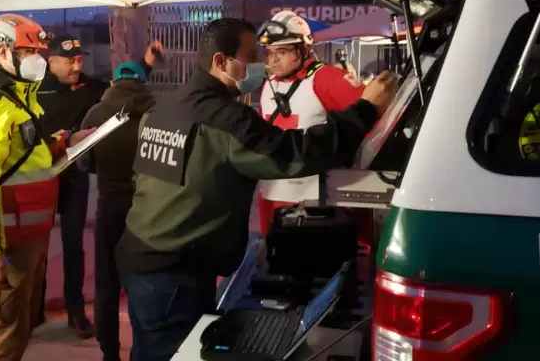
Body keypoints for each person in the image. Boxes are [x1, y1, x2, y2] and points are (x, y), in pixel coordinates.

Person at [115, 18, 399, 361]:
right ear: (221, 61)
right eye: (251, 56)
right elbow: (293, 154)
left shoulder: (165, 105)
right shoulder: (223, 116)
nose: (261, 64)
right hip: (173, 271)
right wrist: (365, 109)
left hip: (146, 256)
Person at [0, 15, 95, 361]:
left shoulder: (17, 96)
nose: (38, 58)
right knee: (5, 332)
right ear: (2, 52)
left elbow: (27, 154)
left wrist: (65, 142)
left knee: (19, 327)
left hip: (27, 236)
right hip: (6, 241)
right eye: (29, 50)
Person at [34, 34, 163, 337]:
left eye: (80, 59)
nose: (77, 66)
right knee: (36, 248)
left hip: (74, 179)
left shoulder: (89, 88)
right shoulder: (35, 91)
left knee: (73, 245)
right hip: (42, 178)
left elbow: (124, 88)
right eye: (70, 61)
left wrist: (146, 64)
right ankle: (33, 309)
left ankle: (76, 311)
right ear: (51, 61)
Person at [256, 11, 369, 236]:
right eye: (269, 53)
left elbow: (370, 118)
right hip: (271, 194)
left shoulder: (327, 78)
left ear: (303, 50)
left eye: (282, 51)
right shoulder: (269, 84)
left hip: (314, 205)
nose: (273, 60)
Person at [78, 62, 156, 361]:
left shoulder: (97, 113)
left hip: (110, 204)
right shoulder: (157, 114)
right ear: (143, 81)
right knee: (145, 282)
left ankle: (109, 352)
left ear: (114, 81)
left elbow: (84, 162)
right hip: (147, 207)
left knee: (107, 283)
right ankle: (144, 350)